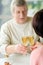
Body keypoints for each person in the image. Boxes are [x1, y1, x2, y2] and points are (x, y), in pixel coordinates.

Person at [0, 0, 40, 65]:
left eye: (24, 11)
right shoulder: (6, 27)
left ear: (27, 10)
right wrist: (15, 48)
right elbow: (2, 48)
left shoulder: (35, 22)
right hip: (14, 60)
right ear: (12, 13)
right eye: (18, 12)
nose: (22, 15)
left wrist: (39, 45)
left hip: (35, 58)